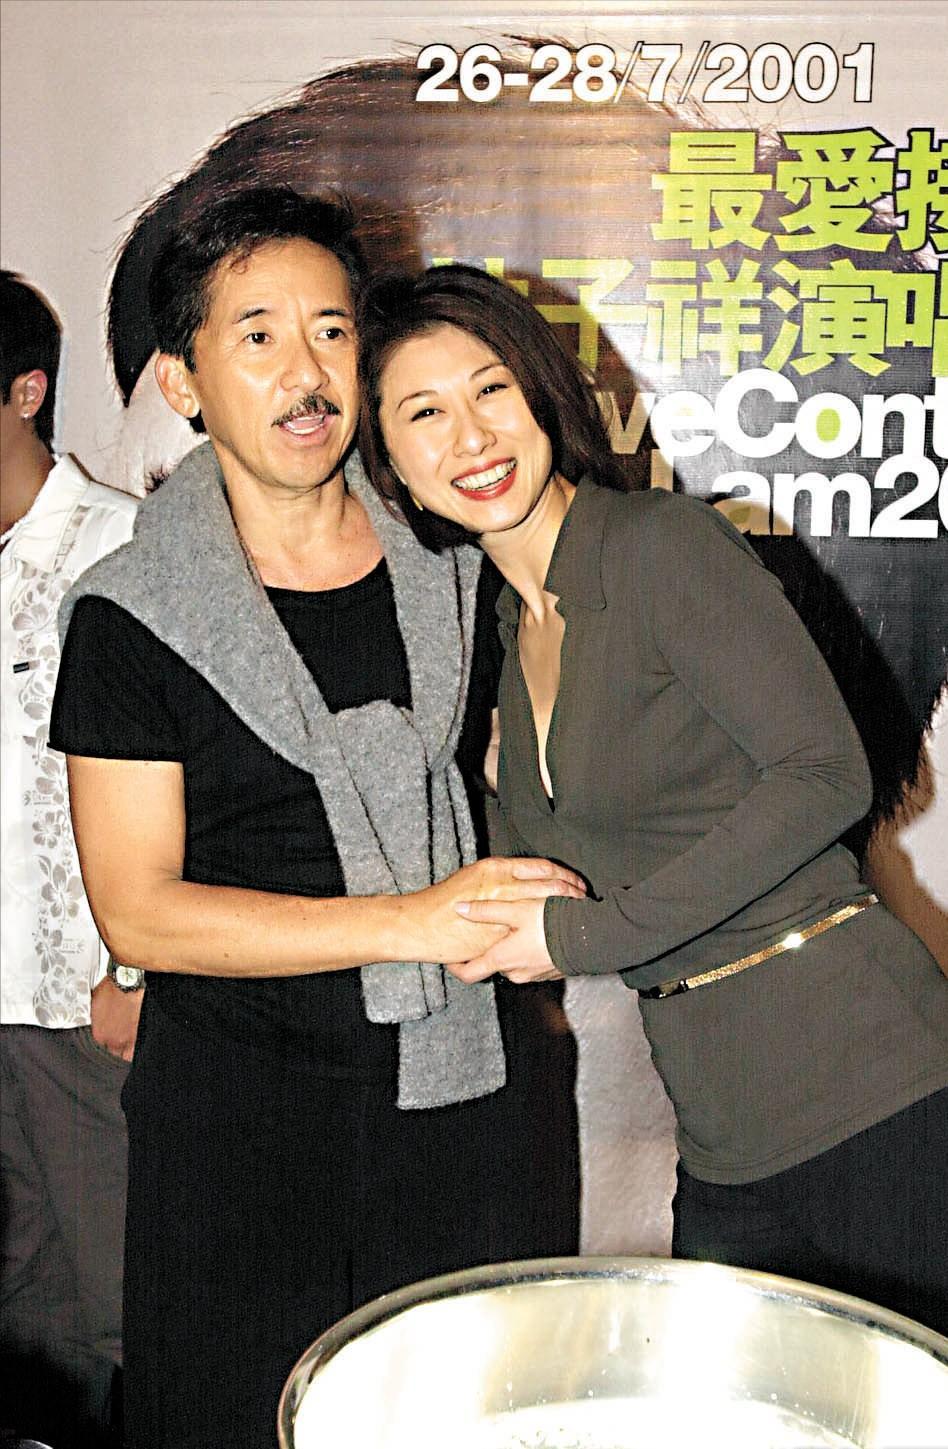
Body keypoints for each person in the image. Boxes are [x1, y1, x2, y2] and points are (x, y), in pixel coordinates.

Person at [48, 189, 581, 1449]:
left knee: (475, 1424)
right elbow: (140, 912)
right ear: (182, 381)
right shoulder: (129, 616)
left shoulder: (458, 561)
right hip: (240, 1128)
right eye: (258, 337)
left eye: (332, 331)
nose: (307, 372)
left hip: (468, 1105)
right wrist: (413, 921)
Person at [357, 262, 948, 1332]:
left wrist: (578, 936)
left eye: (490, 389)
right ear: (391, 464)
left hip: (865, 1075)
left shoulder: (656, 546)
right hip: (722, 1123)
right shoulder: (509, 629)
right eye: (424, 413)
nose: (471, 438)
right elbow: (546, 883)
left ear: (543, 394)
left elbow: (825, 775)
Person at [0, 270, 140, 1447]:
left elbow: (184, 780)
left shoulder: (123, 545)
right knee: (20, 1315)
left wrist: (138, 973)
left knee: (123, 1297)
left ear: (26, 392)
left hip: (81, 1001)